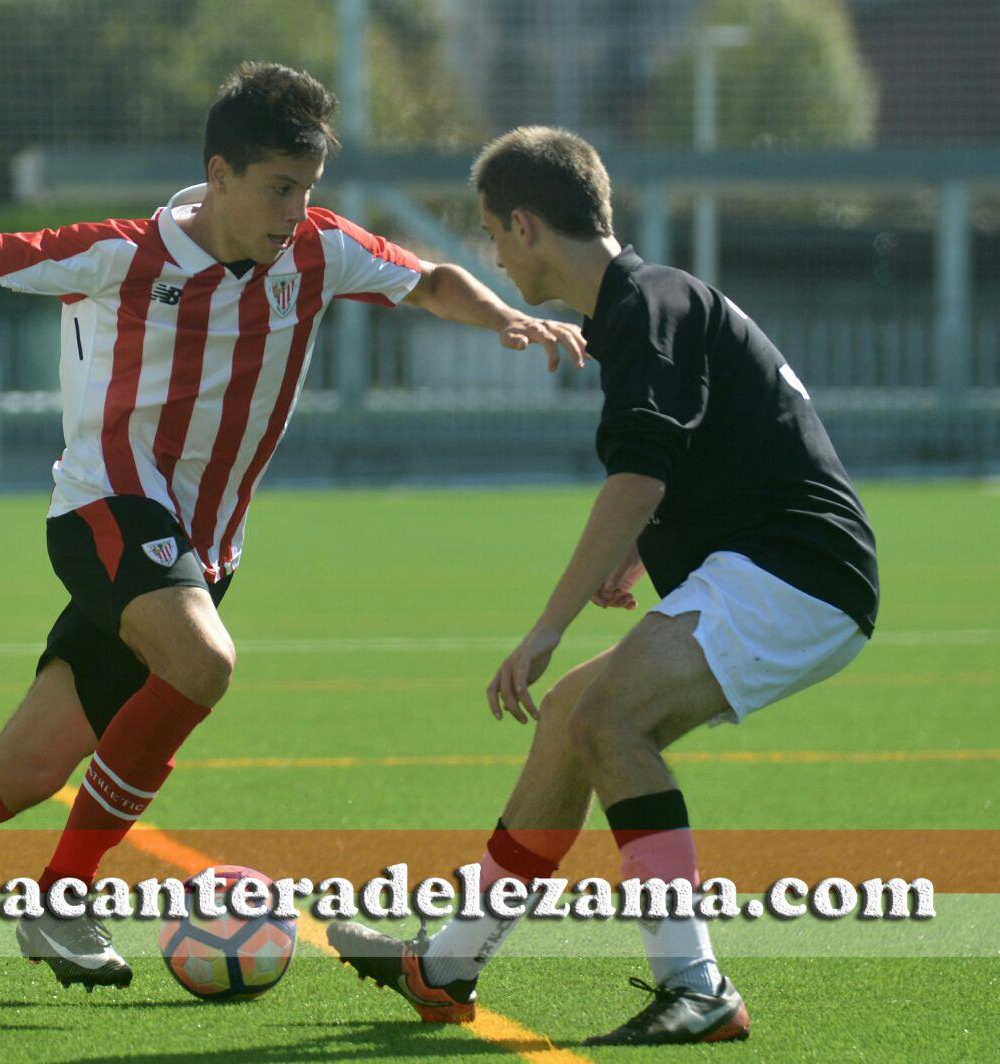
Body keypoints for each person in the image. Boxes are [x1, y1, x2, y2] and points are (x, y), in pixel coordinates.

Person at [0, 66, 585, 1003]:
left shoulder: (319, 251)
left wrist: (508, 319)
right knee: (204, 663)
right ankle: (61, 897)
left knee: (20, 770)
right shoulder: (126, 253)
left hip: (198, 555)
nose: (296, 208)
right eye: (280, 186)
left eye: (308, 189)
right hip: (105, 510)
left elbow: (433, 280)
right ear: (220, 174)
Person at [328, 126, 880, 1046]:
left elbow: (641, 474)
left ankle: (696, 985)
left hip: (798, 571)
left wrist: (547, 627)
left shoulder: (643, 305)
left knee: (608, 722)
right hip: (768, 563)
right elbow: (694, 448)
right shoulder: (638, 306)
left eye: (494, 235)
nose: (493, 255)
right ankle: (450, 961)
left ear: (526, 223)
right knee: (570, 719)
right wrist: (638, 552)